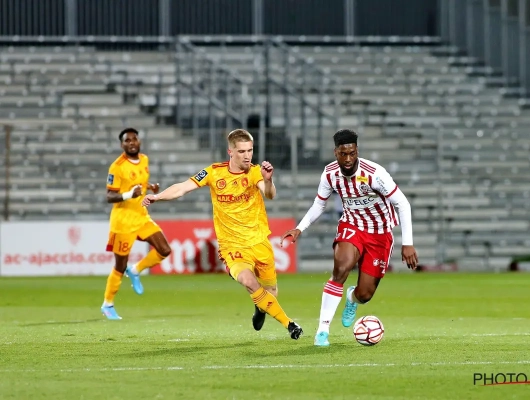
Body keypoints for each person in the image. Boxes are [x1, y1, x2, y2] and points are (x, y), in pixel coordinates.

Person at [142, 129, 303, 340]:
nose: (247, 156)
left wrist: (269, 180)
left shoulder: (255, 172)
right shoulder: (214, 172)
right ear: (230, 152)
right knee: (248, 281)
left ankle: (260, 308)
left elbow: (270, 194)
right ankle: (290, 324)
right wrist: (158, 197)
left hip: (259, 242)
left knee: (270, 292)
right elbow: (183, 187)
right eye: (242, 151)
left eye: (250, 150)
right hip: (232, 246)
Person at [280, 129, 418, 347]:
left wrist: (407, 243)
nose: (347, 159)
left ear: (357, 151)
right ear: (335, 152)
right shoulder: (329, 174)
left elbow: (402, 203)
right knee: (341, 269)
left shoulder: (375, 174)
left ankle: (352, 298)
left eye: (352, 153)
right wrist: (300, 228)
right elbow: (319, 204)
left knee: (365, 294)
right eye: (343, 154)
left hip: (380, 233)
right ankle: (322, 331)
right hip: (352, 225)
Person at [102, 127, 172, 320]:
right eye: (127, 140)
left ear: (139, 141)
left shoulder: (145, 160)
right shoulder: (117, 167)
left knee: (164, 249)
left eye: (134, 139)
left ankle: (135, 270)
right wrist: (128, 195)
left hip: (141, 216)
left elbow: (140, 183)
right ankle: (107, 304)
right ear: (122, 145)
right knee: (119, 265)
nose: (131, 143)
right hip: (123, 222)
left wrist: (150, 187)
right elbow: (109, 196)